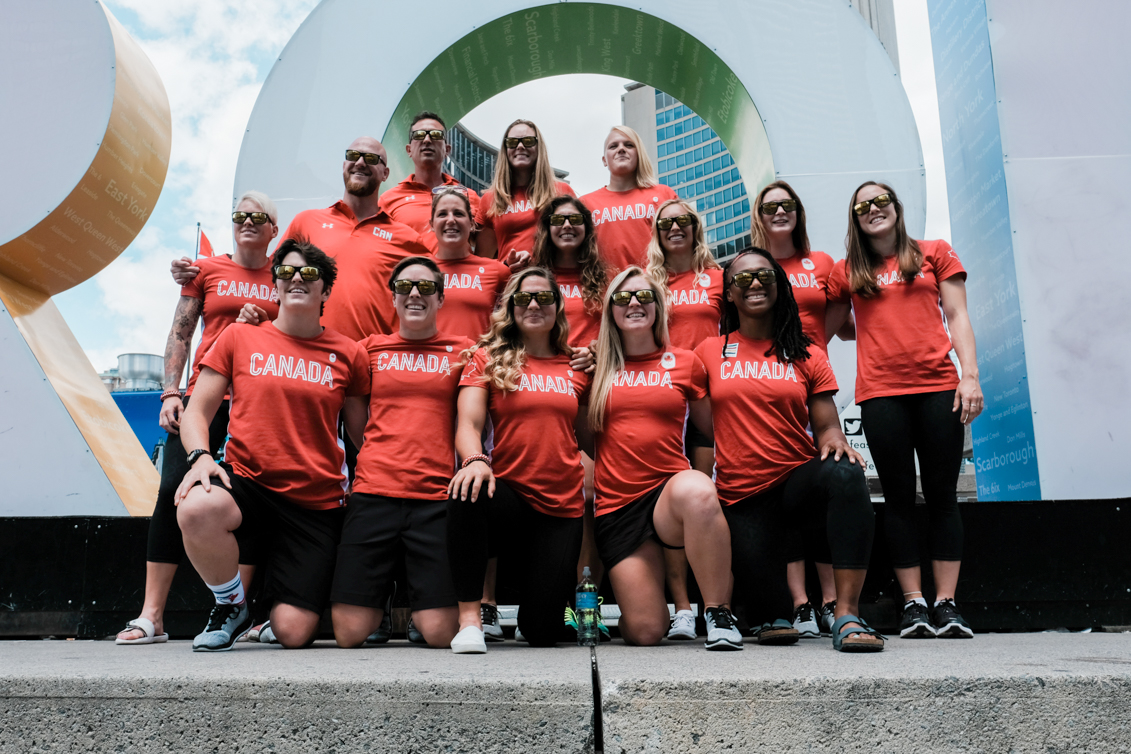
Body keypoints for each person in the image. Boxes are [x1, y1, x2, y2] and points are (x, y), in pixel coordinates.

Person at [174, 238, 370, 651]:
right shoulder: (239, 338)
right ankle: (231, 604)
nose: (296, 277)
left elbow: (361, 435)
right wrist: (199, 458)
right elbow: (197, 412)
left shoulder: (349, 354)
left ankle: (266, 602)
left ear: (326, 291)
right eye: (286, 272)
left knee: (294, 633)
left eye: (309, 273)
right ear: (275, 286)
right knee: (198, 506)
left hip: (315, 503)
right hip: (249, 485)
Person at [695, 248, 883, 652]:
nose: (755, 284)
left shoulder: (807, 353)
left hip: (797, 488)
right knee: (773, 622)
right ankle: (772, 609)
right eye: (743, 279)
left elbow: (829, 426)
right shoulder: (709, 352)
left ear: (781, 285)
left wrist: (834, 441)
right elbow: (694, 426)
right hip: (742, 499)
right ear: (729, 293)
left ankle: (847, 614)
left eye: (764, 275)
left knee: (846, 471)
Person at [116, 191, 281, 646]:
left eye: (258, 217)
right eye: (240, 215)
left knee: (246, 498)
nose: (247, 222)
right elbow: (180, 332)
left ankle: (242, 611)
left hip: (258, 402)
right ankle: (152, 615)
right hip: (203, 400)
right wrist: (171, 392)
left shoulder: (285, 277)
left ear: (274, 229)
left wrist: (265, 319)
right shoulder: (207, 270)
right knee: (172, 490)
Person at [827, 181, 983, 639]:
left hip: (938, 388)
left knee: (941, 495)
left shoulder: (934, 252)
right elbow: (829, 329)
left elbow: (956, 316)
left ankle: (947, 604)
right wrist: (874, 333)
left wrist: (969, 375)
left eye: (881, 201)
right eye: (863, 206)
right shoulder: (848, 270)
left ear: (896, 207)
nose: (874, 210)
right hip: (881, 395)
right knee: (896, 498)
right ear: (855, 219)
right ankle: (914, 604)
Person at [589, 267, 742, 651]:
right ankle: (630, 604)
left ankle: (718, 612)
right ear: (611, 311)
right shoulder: (594, 367)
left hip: (668, 494)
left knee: (698, 491)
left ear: (659, 307)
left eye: (644, 296)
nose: (635, 303)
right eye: (623, 298)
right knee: (645, 632)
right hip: (618, 505)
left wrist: (711, 481)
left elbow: (708, 430)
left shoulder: (686, 362)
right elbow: (579, 436)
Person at [446, 267, 589, 653]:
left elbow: (594, 434)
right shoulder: (486, 357)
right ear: (510, 307)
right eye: (523, 297)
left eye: (544, 297)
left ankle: (537, 610)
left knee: (543, 632)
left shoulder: (576, 366)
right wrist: (475, 459)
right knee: (465, 491)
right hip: (508, 495)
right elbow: (469, 422)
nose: (533, 304)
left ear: (558, 307)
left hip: (560, 508)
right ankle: (471, 621)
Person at [330, 256, 469, 649]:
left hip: (435, 498)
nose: (414, 294)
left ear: (440, 299)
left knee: (441, 635)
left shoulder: (463, 351)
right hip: (374, 493)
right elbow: (356, 422)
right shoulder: (368, 350)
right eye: (404, 287)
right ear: (392, 297)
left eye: (426, 288)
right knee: (349, 634)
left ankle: (409, 589)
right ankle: (386, 593)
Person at [173, 137, 430, 342]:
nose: (360, 162)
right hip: (306, 360)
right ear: (343, 165)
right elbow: (267, 273)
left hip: (370, 364)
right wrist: (201, 271)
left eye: (371, 158)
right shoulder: (306, 222)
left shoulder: (407, 238)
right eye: (353, 155)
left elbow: (437, 288)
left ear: (385, 173)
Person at [749, 180, 842, 639]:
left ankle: (831, 601)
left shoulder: (820, 263)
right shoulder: (754, 266)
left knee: (822, 488)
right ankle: (800, 603)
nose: (779, 213)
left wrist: (814, 349)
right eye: (770, 208)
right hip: (768, 385)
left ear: (798, 212)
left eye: (787, 206)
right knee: (783, 492)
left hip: (811, 380)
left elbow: (840, 320)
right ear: (759, 216)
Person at [642, 200, 723, 640]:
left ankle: (718, 604)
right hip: (666, 397)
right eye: (665, 223)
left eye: (683, 221)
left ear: (696, 228)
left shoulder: (719, 278)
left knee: (707, 500)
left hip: (711, 399)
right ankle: (683, 607)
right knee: (670, 504)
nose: (675, 228)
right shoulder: (650, 282)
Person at [378, 112, 481, 253]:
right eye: (419, 135)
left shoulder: (470, 197)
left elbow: (485, 252)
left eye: (436, 135)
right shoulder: (388, 200)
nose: (427, 140)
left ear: (447, 150)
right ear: (409, 150)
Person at [474, 119, 575, 263]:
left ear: (539, 147)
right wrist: (506, 265)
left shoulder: (561, 191)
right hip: (508, 283)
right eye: (512, 142)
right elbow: (483, 262)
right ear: (505, 150)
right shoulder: (491, 199)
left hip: (551, 283)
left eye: (528, 141)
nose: (520, 146)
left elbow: (580, 245)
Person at [580, 126, 678, 274]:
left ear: (639, 154)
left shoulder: (663, 194)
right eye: (613, 146)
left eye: (629, 145)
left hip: (657, 289)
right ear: (604, 160)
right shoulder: (585, 204)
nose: (621, 149)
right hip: (607, 293)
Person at [430, 188, 512, 341]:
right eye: (442, 214)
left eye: (458, 213)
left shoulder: (498, 271)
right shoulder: (419, 272)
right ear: (432, 224)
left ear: (472, 224)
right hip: (432, 363)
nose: (450, 220)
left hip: (479, 363)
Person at [531, 195, 608, 351]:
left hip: (594, 370)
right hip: (548, 371)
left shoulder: (607, 279)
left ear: (586, 228)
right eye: (558, 220)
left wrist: (599, 348)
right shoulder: (532, 280)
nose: (567, 225)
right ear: (548, 229)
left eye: (575, 219)